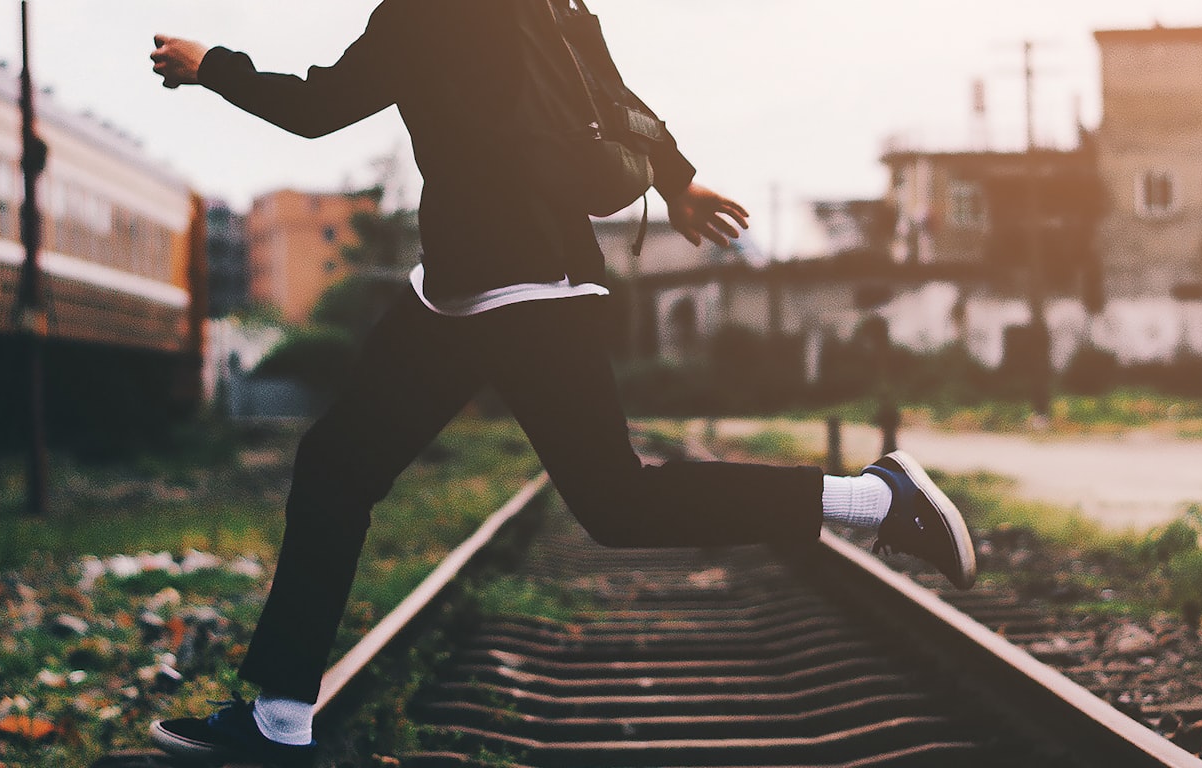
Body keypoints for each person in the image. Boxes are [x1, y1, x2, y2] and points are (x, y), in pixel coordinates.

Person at [147, 2, 976, 763]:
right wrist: (678, 180)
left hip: (514, 291)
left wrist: (208, 62)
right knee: (337, 469)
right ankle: (280, 722)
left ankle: (876, 498)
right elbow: (614, 99)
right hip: (476, 289)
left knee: (613, 502)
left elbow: (315, 107)